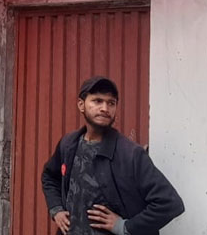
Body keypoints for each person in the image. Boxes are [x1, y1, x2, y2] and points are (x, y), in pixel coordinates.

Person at [41, 76, 184, 235]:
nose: (105, 108)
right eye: (97, 101)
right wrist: (56, 209)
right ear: (81, 105)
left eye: (111, 103)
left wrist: (125, 227)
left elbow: (170, 203)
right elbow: (49, 177)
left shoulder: (130, 154)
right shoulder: (68, 144)